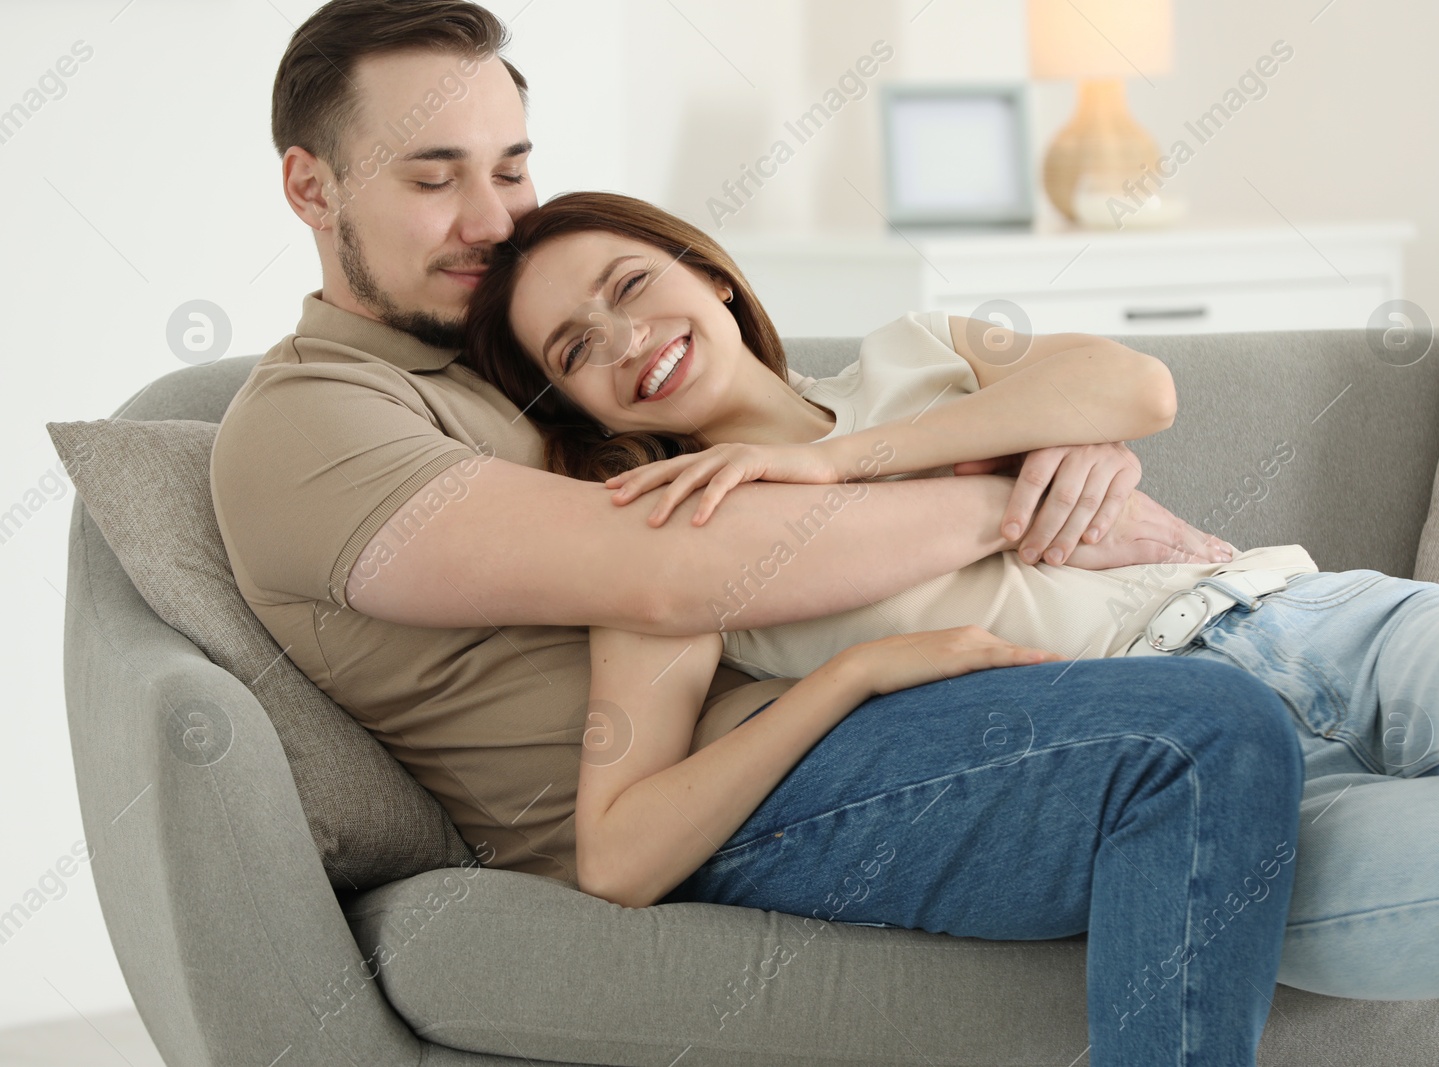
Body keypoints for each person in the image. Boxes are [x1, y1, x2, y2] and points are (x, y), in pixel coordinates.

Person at [210, 2, 1304, 1064]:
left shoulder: (522, 361)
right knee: (1194, 733)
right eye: (431, 176)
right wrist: (1010, 501)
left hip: (859, 707)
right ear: (312, 185)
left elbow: (761, 416)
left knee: (1289, 703)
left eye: (508, 168)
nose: (492, 220)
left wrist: (1068, 442)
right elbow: (671, 571)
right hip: (731, 798)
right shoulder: (310, 421)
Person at [461, 191, 1439, 997]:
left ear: (706, 270)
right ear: (586, 411)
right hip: (1205, 803)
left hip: (1305, 624)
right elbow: (616, 854)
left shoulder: (913, 350)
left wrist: (838, 459)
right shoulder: (663, 543)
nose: (626, 337)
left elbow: (1131, 383)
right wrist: (849, 676)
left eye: (630, 285)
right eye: (575, 347)